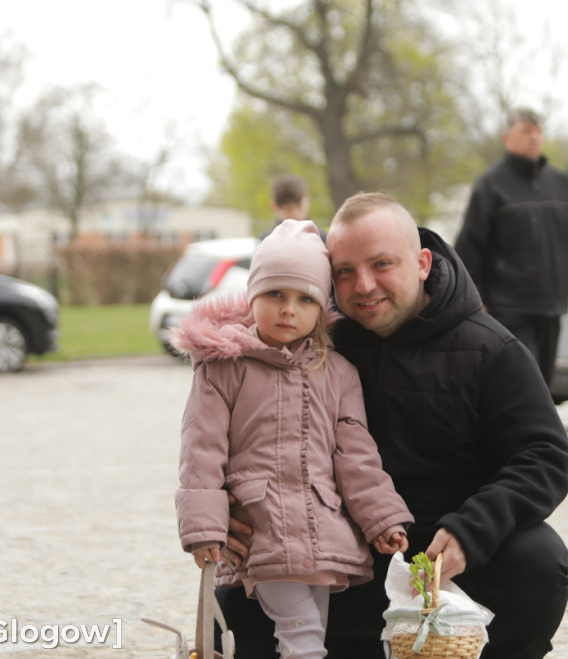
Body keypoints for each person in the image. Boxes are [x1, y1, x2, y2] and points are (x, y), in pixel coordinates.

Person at [216, 193, 568, 659]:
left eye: (381, 264)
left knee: (538, 558)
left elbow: (544, 458)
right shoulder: (313, 350)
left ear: (423, 263)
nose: (363, 285)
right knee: (236, 596)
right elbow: (230, 439)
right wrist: (227, 504)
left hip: (449, 557)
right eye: (344, 271)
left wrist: (472, 530)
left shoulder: (491, 351)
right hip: (340, 558)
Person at [172, 219, 414, 659]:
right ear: (252, 297)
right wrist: (205, 527)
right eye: (275, 295)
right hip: (263, 527)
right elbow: (201, 449)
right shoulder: (224, 368)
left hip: (322, 529)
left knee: (308, 633)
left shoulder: (338, 373)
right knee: (302, 638)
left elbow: (357, 456)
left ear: (321, 309)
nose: (289, 310)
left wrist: (383, 520)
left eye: (305, 299)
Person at [454, 106, 568, 385]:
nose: (534, 137)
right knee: (522, 382)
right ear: (507, 138)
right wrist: (477, 300)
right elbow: (470, 248)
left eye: (538, 131)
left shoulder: (560, 183)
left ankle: (536, 430)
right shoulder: (490, 185)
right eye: (526, 131)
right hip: (508, 309)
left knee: (544, 385)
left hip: (551, 306)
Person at [258, 174, 315, 241]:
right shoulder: (265, 241)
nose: (295, 214)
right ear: (274, 207)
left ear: (307, 201)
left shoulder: (322, 239)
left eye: (299, 206)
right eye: (288, 209)